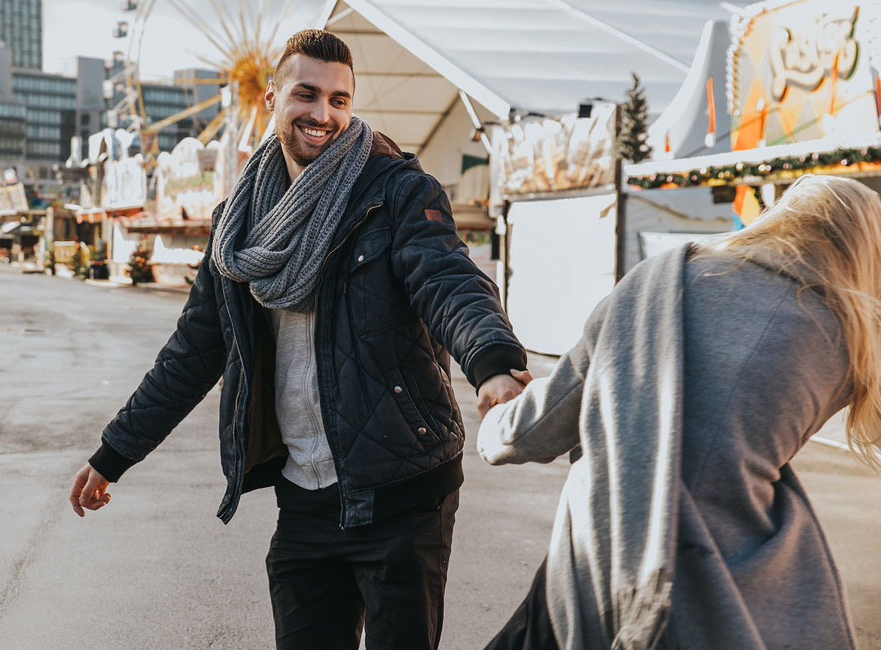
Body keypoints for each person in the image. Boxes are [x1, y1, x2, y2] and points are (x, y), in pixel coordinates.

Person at [70, 29, 528, 649]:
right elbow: (194, 352)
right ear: (271, 100)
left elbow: (447, 279)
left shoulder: (395, 191)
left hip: (400, 490)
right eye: (307, 96)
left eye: (340, 100)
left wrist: (492, 361)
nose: (324, 115)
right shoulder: (239, 224)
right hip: (306, 496)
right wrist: (114, 454)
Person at [477, 174, 881, 649]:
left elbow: (539, 426)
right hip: (743, 586)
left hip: (605, 554)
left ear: (781, 219)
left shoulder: (662, 281)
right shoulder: (852, 339)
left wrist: (494, 422)